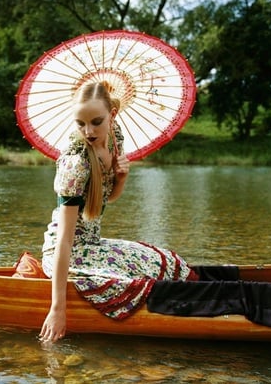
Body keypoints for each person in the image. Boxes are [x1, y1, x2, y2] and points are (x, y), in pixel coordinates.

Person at [39, 81, 197, 343]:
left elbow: (105, 200)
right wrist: (58, 309)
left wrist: (121, 177)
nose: (88, 131)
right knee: (134, 284)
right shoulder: (75, 164)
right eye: (80, 123)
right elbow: (65, 242)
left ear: (112, 115)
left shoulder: (114, 138)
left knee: (165, 262)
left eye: (96, 121)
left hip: (92, 245)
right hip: (68, 253)